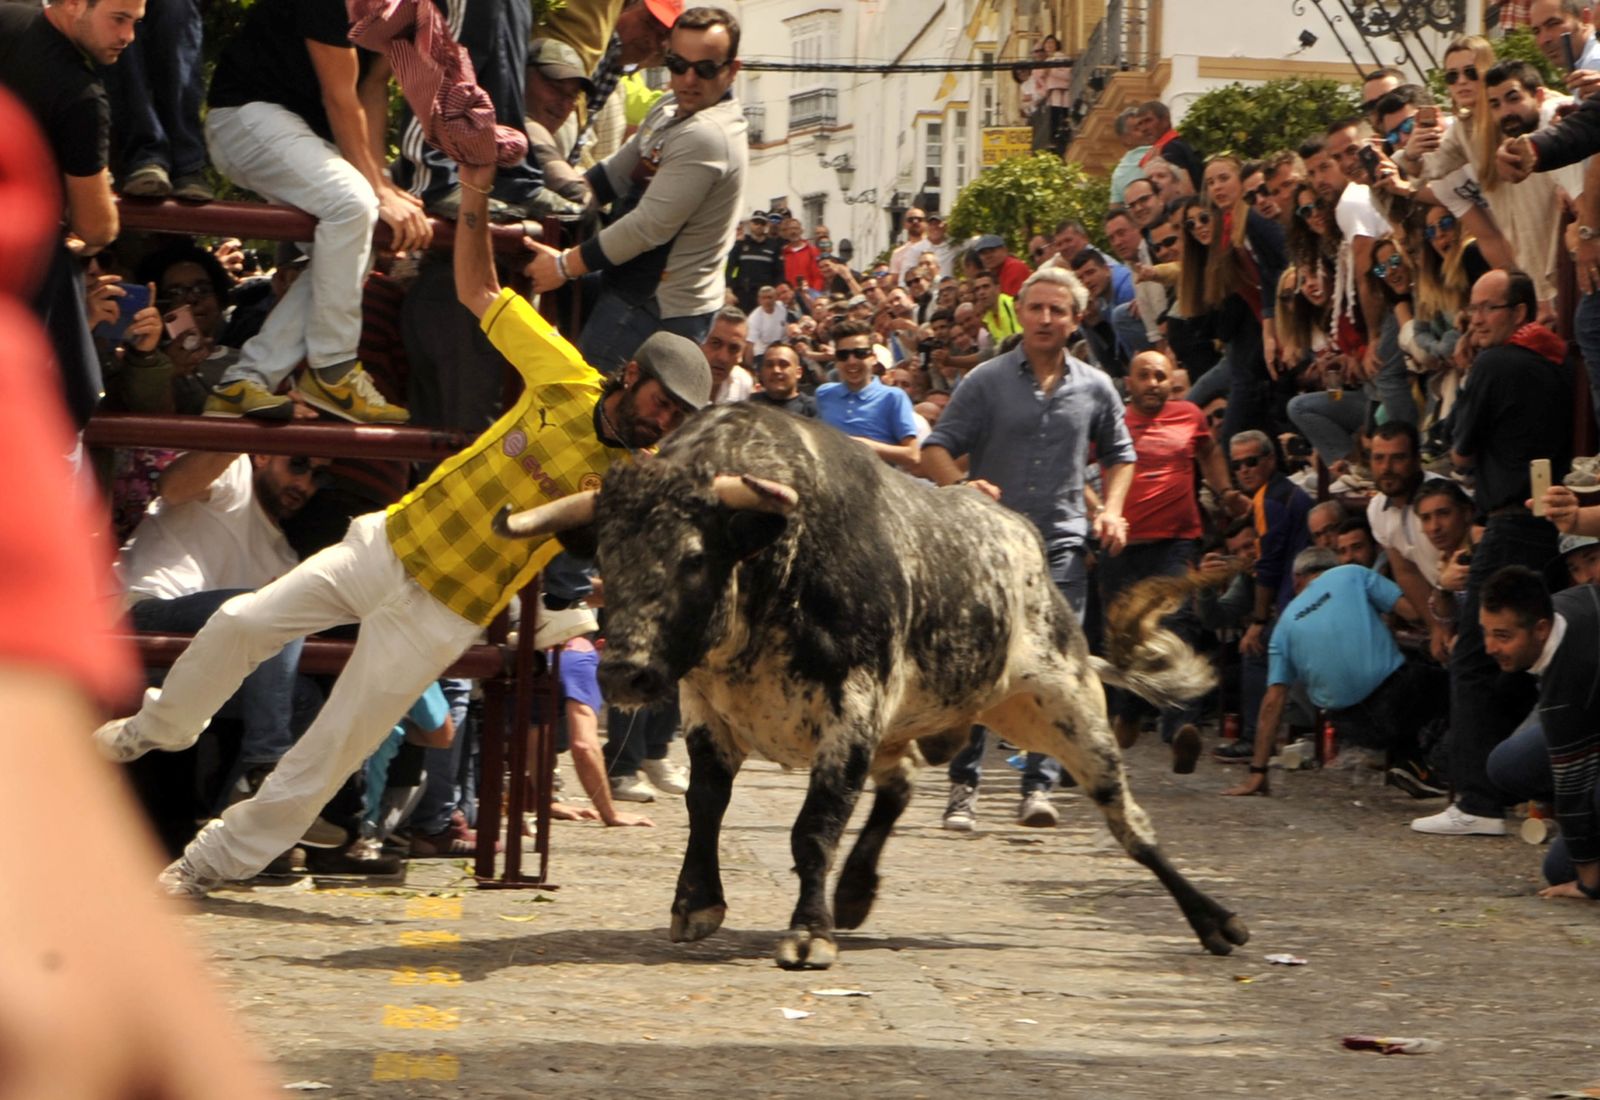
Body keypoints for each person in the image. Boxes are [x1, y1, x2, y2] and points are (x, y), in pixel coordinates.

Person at [92, 157, 713, 897]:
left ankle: (200, 869)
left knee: (325, 755)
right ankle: (161, 727)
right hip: (386, 546)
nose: (663, 418)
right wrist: (478, 189)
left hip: (442, 616)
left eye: (677, 416)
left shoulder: (636, 479)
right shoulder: (564, 374)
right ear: (633, 374)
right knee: (240, 619)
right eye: (662, 401)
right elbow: (479, 289)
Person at [921, 267, 1135, 829]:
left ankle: (1037, 789)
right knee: (979, 667)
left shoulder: (1095, 386)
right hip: (990, 551)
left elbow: (1121, 454)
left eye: (1057, 310)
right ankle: (963, 788)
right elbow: (936, 448)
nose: (1045, 319)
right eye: (1036, 308)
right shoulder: (987, 381)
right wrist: (962, 489)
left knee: (1056, 669)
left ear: (1075, 318)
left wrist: (1111, 509)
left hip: (1062, 545)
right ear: (1021, 310)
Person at [200, 0, 425, 425]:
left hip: (303, 134)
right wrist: (377, 189)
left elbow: (372, 88)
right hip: (246, 117)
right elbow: (339, 96)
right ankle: (334, 368)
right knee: (354, 204)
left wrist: (382, 181)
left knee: (351, 243)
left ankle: (248, 380)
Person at [1411, 268, 1570, 838]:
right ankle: (1540, 796)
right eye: (1470, 310)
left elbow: (1457, 451)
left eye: (1487, 309)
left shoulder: (1497, 364)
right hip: (1552, 524)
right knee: (1541, 657)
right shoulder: (1557, 360)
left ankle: (1478, 800)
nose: (1476, 320)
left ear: (1520, 311)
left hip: (1507, 525)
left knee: (1478, 655)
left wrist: (1466, 373)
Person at [531, 6, 748, 375]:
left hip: (658, 306)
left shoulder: (709, 134)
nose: (688, 79)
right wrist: (556, 200)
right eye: (678, 65)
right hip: (634, 287)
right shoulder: (670, 108)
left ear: (731, 70)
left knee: (590, 413)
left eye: (705, 68)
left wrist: (562, 266)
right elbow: (612, 175)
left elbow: (648, 228)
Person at [0, 0, 143, 427]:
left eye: (135, 23)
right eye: (119, 19)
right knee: (62, 403)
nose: (128, 37)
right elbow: (98, 225)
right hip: (16, 267)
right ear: (76, 4)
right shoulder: (79, 95)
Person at [1100, 350, 1236, 771]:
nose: (1154, 383)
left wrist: (1225, 490)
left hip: (1176, 541)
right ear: (1130, 382)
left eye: (1160, 376)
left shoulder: (1189, 415)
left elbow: (1209, 452)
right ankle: (1129, 710)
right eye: (1145, 376)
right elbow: (1076, 464)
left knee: (1177, 627)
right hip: (1121, 543)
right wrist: (1096, 511)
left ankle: (1181, 727)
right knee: (1127, 633)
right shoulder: (1111, 421)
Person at [1221, 549, 1435, 797]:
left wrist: (1258, 771)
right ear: (1333, 566)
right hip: (1396, 699)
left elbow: (1272, 702)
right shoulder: (1353, 573)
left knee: (1399, 696)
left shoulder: (1283, 625)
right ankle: (1464, 778)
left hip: (1349, 726)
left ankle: (1411, 765)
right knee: (1450, 686)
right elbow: (1414, 612)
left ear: (1297, 579)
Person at [1478, 567, 1600, 898]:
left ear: (1541, 630)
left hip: (1584, 707)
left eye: (1502, 636)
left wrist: (1589, 884)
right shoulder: (1565, 604)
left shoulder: (1570, 682)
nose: (1489, 647)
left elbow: (1570, 786)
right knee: (1506, 764)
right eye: (1486, 632)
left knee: (1562, 871)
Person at [1217, 429, 1312, 762]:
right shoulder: (1275, 496)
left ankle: (1254, 739)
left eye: (1252, 461)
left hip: (1297, 600)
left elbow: (1270, 566)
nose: (1244, 470)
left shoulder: (1271, 500)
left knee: (1256, 647)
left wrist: (1259, 620)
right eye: (1237, 465)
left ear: (1271, 460)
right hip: (1296, 596)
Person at [749, 341, 818, 417]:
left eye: (783, 364)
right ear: (761, 372)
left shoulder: (812, 408)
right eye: (769, 365)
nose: (776, 370)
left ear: (798, 372)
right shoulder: (749, 404)